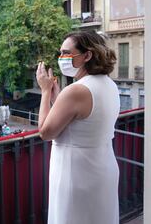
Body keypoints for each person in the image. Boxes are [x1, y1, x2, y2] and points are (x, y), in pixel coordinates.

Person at [36, 31, 120, 224]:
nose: (61, 58)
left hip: (76, 174)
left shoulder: (76, 90)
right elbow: (83, 119)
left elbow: (45, 132)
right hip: (102, 168)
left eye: (66, 53)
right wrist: (59, 99)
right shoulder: (109, 84)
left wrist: (45, 92)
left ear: (87, 55)